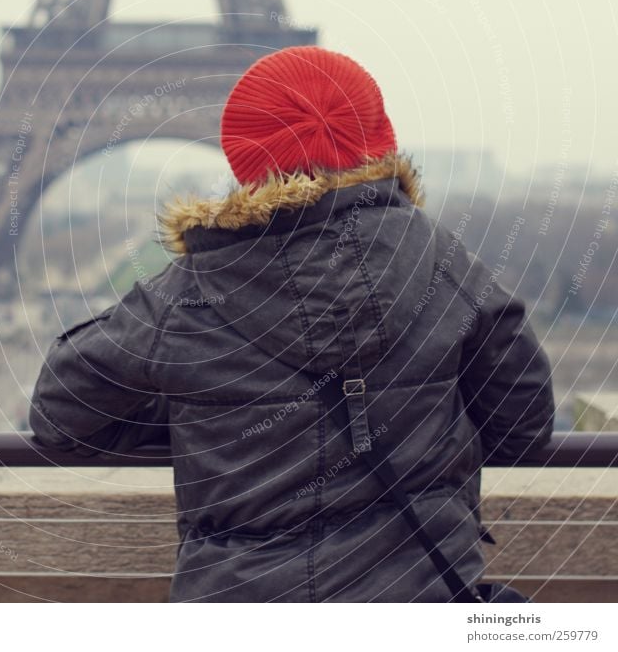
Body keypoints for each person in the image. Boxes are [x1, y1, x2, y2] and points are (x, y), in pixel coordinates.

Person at [29, 45, 555, 602]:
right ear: (375, 139)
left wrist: (205, 418)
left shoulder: (186, 294)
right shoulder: (445, 265)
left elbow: (60, 415)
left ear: (243, 154)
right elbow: (522, 427)